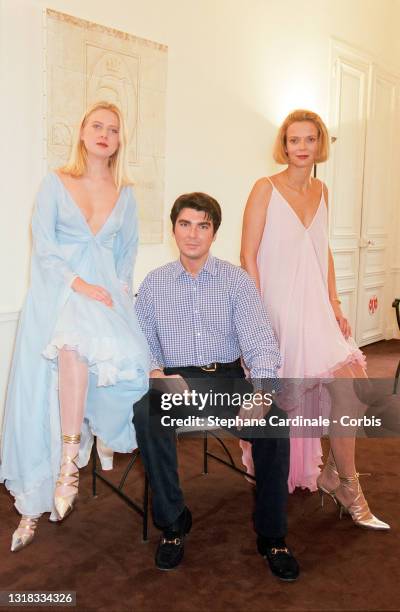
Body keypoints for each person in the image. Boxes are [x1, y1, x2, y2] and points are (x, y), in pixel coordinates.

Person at [0, 101, 149, 551]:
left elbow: (126, 258)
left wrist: (115, 303)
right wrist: (80, 284)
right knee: (37, 403)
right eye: (97, 126)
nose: (105, 134)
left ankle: (72, 461)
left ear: (120, 141)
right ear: (82, 133)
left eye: (114, 129)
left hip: (101, 305)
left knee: (113, 369)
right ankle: (33, 503)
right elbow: (43, 249)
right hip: (57, 300)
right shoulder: (55, 182)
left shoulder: (126, 194)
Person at [134, 192, 300, 581]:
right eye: (185, 224)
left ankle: (273, 536)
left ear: (214, 233)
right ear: (174, 229)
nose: (193, 234)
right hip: (177, 381)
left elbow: (261, 343)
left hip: (227, 379)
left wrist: (262, 393)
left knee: (275, 423)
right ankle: (174, 524)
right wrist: (157, 375)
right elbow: (140, 344)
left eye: (203, 226)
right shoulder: (155, 284)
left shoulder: (236, 281)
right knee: (146, 414)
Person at [240, 109, 389, 530]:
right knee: (291, 399)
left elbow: (321, 250)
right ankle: (345, 485)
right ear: (284, 145)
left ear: (319, 143)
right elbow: (248, 255)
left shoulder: (323, 190)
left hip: (316, 307)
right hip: (277, 309)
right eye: (294, 140)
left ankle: (341, 479)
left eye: (309, 139)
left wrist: (336, 303)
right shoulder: (264, 188)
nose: (301, 147)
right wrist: (256, 318)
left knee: (353, 387)